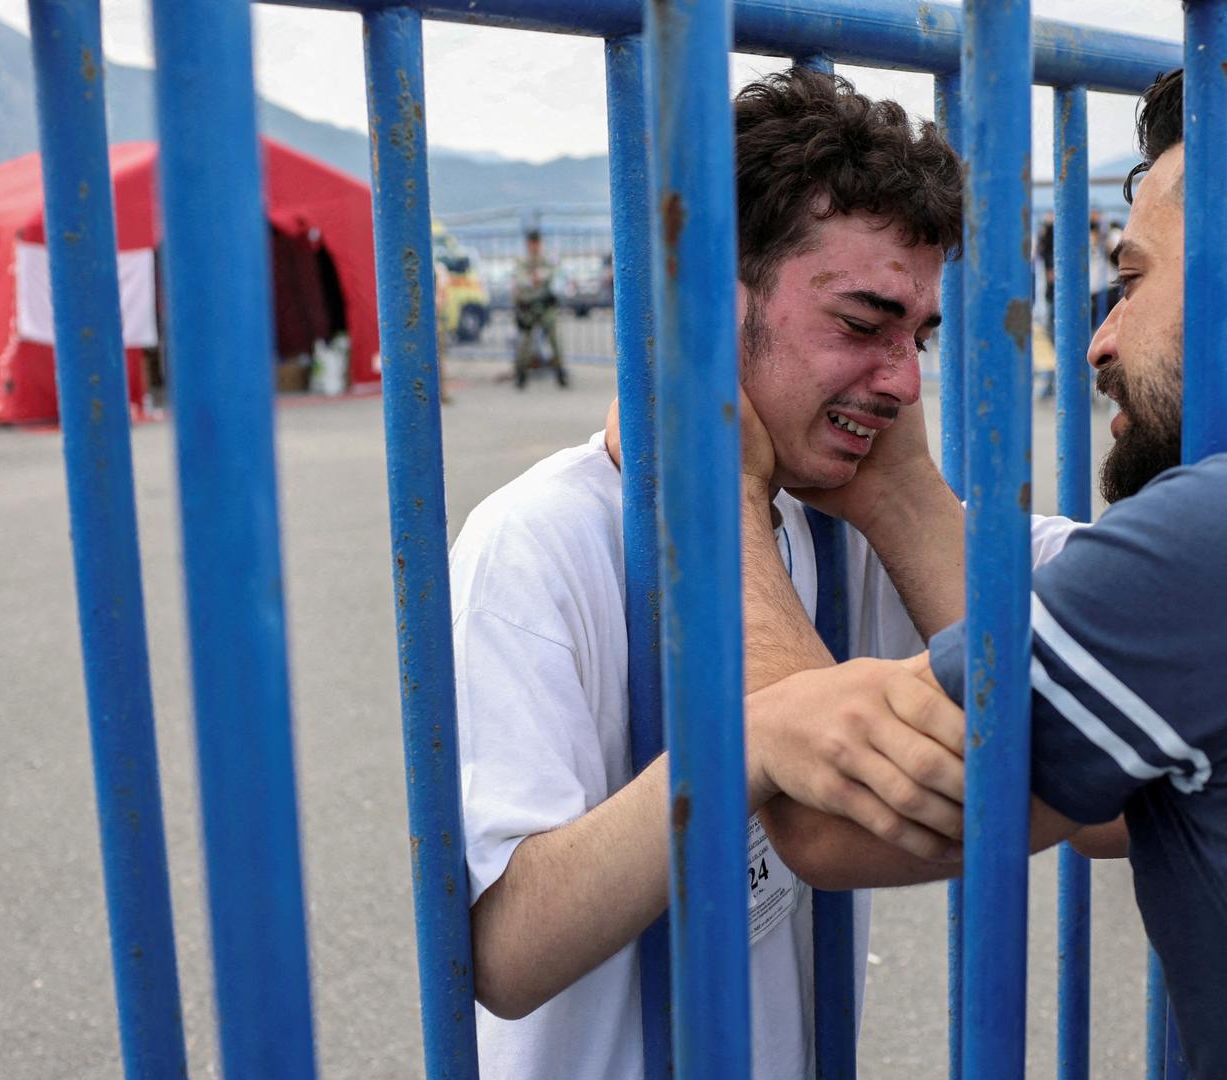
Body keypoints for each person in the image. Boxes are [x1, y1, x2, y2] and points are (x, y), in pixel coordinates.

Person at [753, 45, 1227, 1077]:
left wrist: (711, 480)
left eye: (1132, 280)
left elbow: (821, 820)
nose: (1101, 341)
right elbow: (1105, 792)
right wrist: (901, 494)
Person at [448, 69, 1085, 1079]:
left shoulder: (839, 519)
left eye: (918, 336)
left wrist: (907, 497)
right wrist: (740, 749)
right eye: (862, 323)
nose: (907, 380)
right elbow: (503, 952)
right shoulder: (540, 539)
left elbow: (1089, 703)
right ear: (706, 305)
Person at [512, 228, 568, 388]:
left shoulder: (547, 258)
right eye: (532, 243)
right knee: (526, 343)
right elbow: (521, 280)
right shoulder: (522, 261)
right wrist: (535, 279)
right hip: (528, 307)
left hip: (545, 306)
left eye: (536, 243)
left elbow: (554, 274)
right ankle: (521, 373)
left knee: (555, 340)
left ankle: (560, 372)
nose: (534, 246)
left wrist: (538, 277)